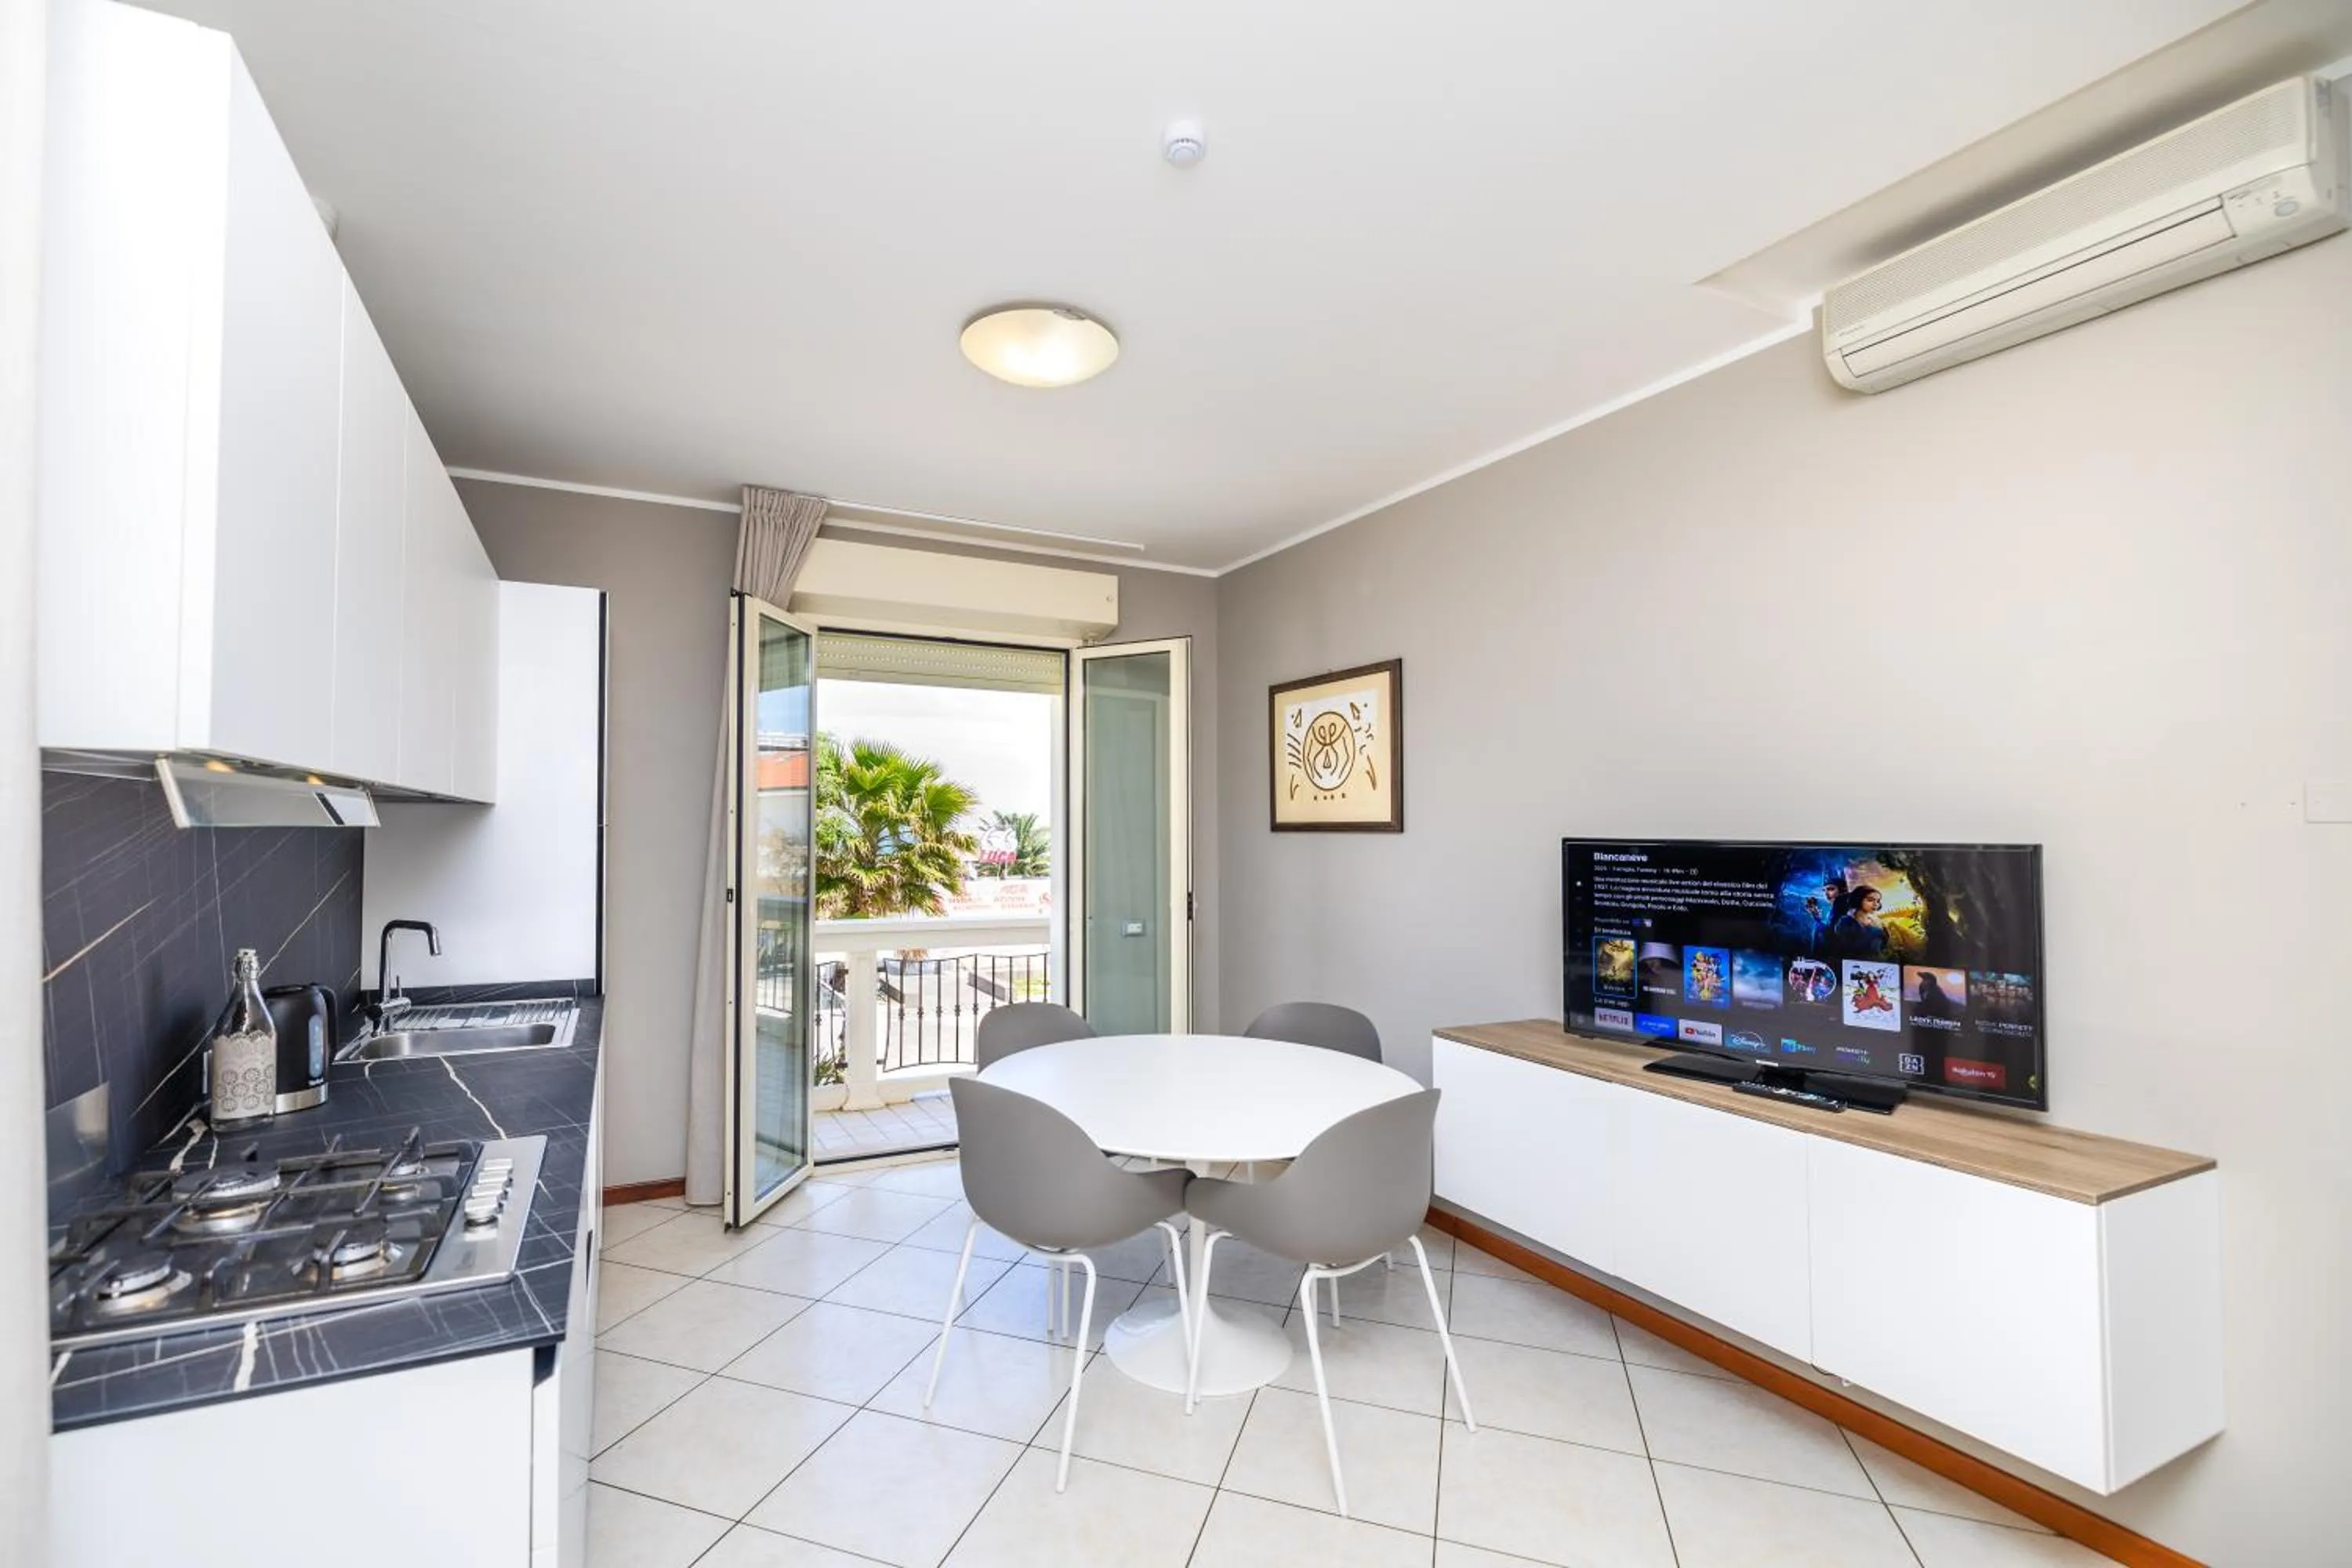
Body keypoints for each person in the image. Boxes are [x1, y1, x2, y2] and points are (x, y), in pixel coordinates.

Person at [1829, 886, 1889, 957]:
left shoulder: (1879, 923)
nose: (1876, 904)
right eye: (1870, 900)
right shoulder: (1845, 923)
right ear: (1859, 900)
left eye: (1878, 901)